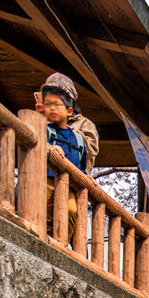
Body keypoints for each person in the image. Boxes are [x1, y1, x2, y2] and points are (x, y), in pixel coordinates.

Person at [35, 73, 99, 244]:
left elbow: (88, 152)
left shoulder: (84, 125)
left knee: (71, 213)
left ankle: (59, 243)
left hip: (72, 182)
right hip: (42, 176)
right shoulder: (42, 119)